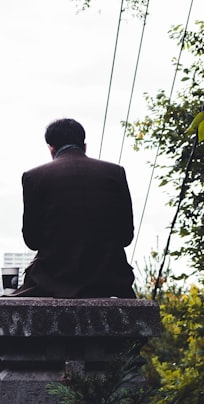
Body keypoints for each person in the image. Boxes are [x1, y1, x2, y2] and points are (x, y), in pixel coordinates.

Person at [10, 118, 136, 298]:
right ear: (84, 146)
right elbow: (126, 236)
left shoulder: (33, 177)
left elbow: (32, 240)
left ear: (50, 148)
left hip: (52, 279)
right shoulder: (115, 173)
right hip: (110, 278)